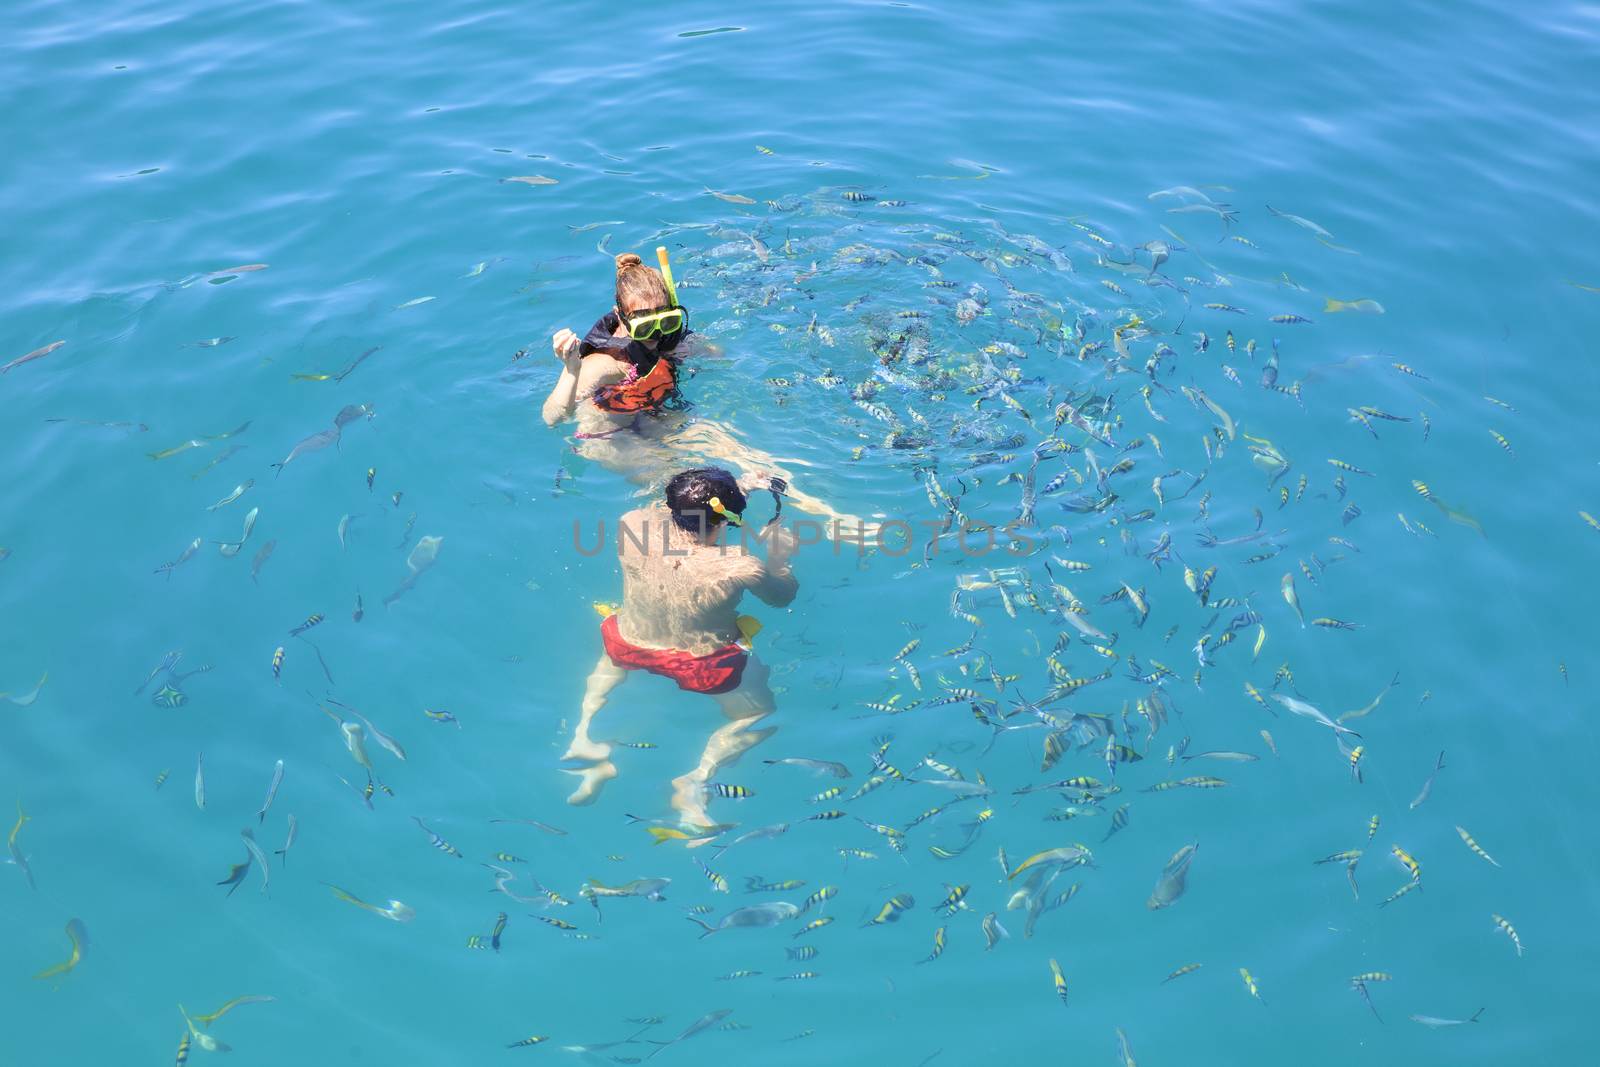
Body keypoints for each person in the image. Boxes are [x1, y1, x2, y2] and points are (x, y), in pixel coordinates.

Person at [541, 251, 868, 534]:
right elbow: (553, 417)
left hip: (654, 415)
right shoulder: (604, 364)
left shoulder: (668, 339)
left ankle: (829, 514)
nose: (656, 336)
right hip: (609, 436)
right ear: (620, 315)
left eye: (665, 323)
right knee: (679, 488)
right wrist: (570, 369)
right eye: (645, 328)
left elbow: (717, 355)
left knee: (737, 447)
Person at [562, 467, 797, 827]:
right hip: (703, 664)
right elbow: (782, 599)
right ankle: (697, 778)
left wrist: (740, 487)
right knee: (757, 715)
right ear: (726, 520)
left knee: (609, 662)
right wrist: (781, 558)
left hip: (629, 643)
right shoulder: (738, 566)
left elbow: (676, 510)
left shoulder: (632, 522)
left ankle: (583, 738)